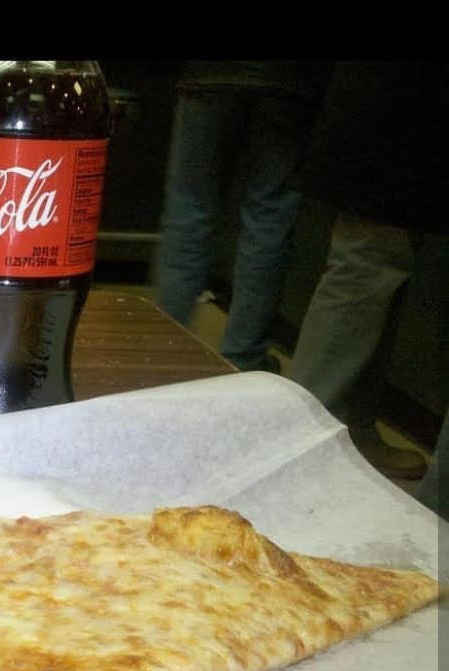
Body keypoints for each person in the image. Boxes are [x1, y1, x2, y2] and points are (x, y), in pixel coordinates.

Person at [288, 62, 449, 483]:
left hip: (386, 112)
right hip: (393, 118)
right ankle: (289, 446)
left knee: (382, 271)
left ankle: (352, 426)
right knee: (366, 263)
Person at [156, 61, 331, 371]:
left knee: (189, 211)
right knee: (268, 216)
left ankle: (165, 351)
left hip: (207, 76)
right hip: (286, 78)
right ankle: (243, 361)